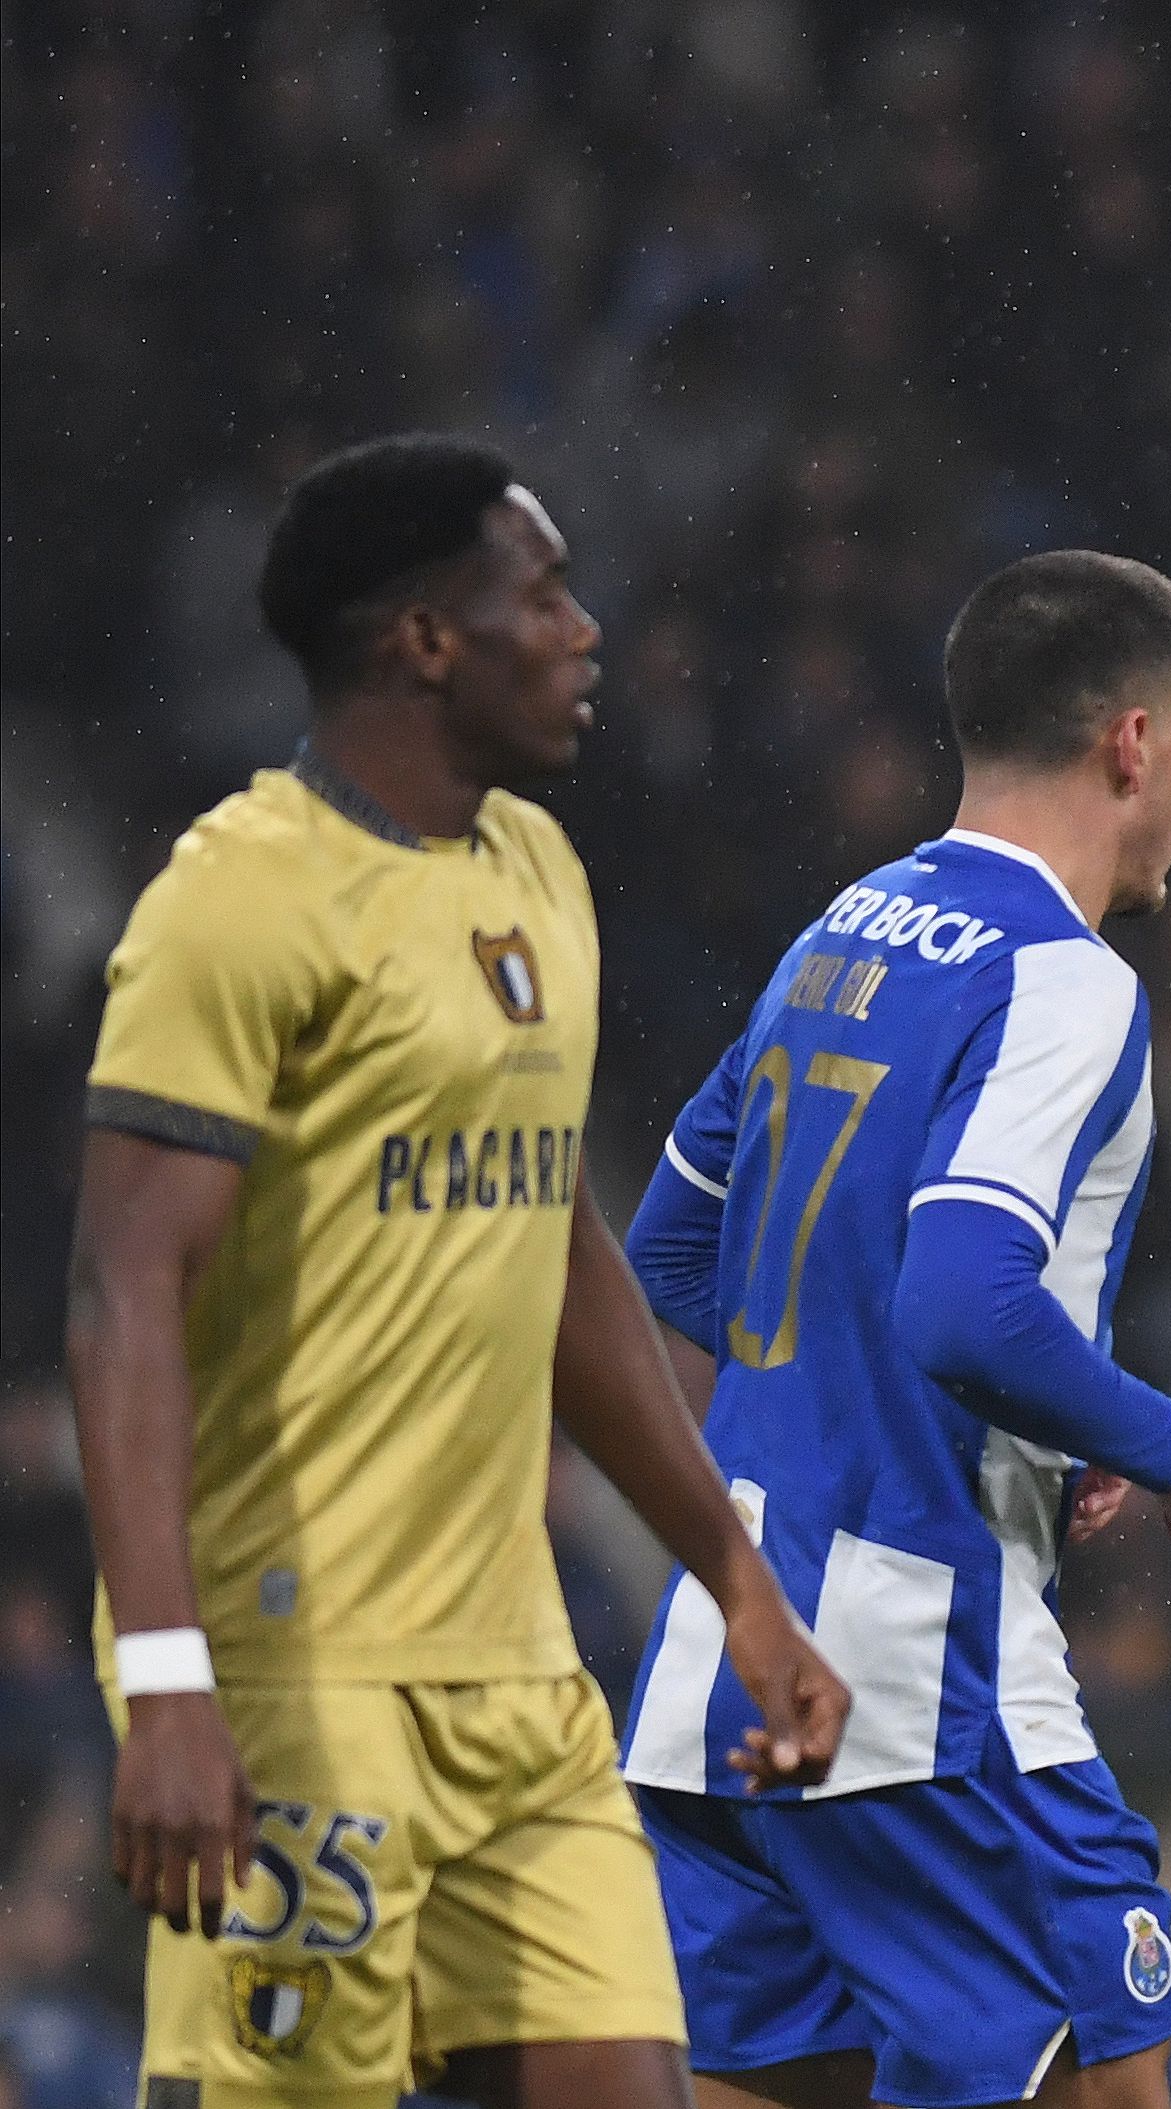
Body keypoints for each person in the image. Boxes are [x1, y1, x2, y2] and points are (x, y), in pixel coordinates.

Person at [65, 433, 851, 2109]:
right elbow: (122, 1291)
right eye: (544, 593)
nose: (583, 633)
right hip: (295, 1673)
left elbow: (550, 1247)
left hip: (514, 1669)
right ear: (424, 637)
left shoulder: (536, 879)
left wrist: (736, 1576)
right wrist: (168, 1681)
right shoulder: (242, 900)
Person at [616, 550, 1171, 2109]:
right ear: (1128, 743)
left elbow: (673, 1244)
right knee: (1113, 2078)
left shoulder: (843, 929)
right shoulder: (1066, 982)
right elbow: (959, 1299)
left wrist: (1033, 1407)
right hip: (918, 1669)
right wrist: (1169, 1441)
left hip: (725, 1652)